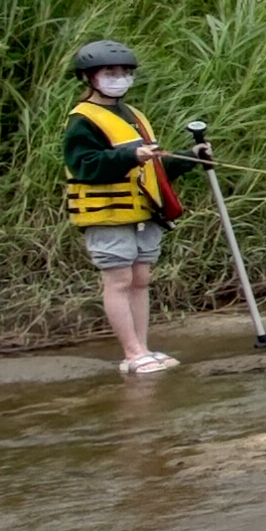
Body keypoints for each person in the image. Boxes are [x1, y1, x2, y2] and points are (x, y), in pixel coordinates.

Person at [60, 38, 185, 376]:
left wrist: (190, 158)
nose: (119, 78)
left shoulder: (134, 115)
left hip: (141, 211)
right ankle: (132, 352)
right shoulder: (82, 120)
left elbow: (152, 168)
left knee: (141, 278)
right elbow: (86, 165)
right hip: (107, 214)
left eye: (125, 72)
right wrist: (130, 156)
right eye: (110, 72)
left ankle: (142, 348)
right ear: (89, 77)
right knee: (119, 279)